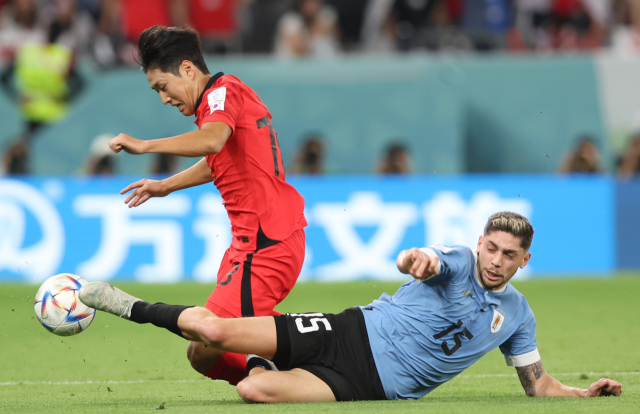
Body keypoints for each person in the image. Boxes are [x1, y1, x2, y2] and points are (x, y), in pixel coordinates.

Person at [79, 211, 622, 403]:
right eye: (492, 248)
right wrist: (415, 259)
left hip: (368, 385)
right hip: (347, 333)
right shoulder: (456, 260)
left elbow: (538, 385)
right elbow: (422, 257)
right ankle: (123, 303)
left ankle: (270, 363)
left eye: (510, 255)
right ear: (479, 243)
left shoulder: (519, 315)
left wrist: (584, 392)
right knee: (210, 340)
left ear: (525, 260)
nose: (497, 261)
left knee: (253, 389)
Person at [105, 25, 307, 386]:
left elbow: (212, 142)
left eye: (162, 88)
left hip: (266, 245)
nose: (164, 99)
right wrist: (165, 185)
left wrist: (146, 146)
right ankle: (299, 356)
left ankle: (319, 356)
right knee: (204, 352)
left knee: (205, 345)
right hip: (250, 245)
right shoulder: (219, 101)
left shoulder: (223, 93)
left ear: (186, 69)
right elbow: (221, 158)